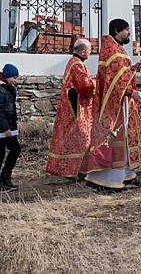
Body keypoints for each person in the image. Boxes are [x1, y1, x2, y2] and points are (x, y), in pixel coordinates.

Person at [82, 20, 141, 192]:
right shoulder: (112, 50)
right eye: (126, 30)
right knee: (115, 138)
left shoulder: (116, 47)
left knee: (125, 137)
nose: (129, 33)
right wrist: (130, 92)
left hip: (122, 101)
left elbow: (121, 73)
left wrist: (132, 68)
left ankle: (126, 175)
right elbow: (114, 80)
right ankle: (107, 181)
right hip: (115, 104)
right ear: (117, 30)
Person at [45, 39, 96, 179]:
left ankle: (75, 170)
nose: (91, 52)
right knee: (82, 137)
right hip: (75, 108)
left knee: (74, 137)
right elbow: (86, 86)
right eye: (90, 50)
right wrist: (98, 82)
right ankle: (72, 171)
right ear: (83, 51)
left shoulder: (74, 62)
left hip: (72, 106)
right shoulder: (77, 64)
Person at [0, 64, 21, 192]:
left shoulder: (9, 88)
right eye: (14, 77)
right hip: (0, 130)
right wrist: (6, 129)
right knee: (0, 154)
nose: (15, 80)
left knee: (15, 149)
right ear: (6, 76)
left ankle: (5, 176)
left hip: (9, 127)